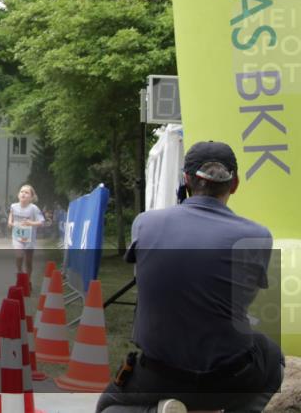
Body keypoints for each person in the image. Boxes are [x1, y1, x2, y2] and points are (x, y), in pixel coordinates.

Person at [97, 141, 284, 413]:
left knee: (107, 406)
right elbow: (242, 299)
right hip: (228, 377)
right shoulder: (258, 236)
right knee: (271, 356)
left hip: (160, 375)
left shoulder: (145, 223)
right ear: (235, 184)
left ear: (185, 179)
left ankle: (156, 411)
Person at [8, 184, 43, 278]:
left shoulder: (33, 208)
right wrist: (10, 222)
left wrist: (31, 223)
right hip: (17, 236)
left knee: (28, 261)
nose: (23, 194)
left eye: (26, 192)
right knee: (19, 255)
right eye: (21, 192)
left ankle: (28, 280)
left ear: (31, 197)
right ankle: (19, 271)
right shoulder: (14, 206)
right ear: (18, 195)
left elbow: (41, 222)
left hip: (29, 238)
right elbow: (11, 214)